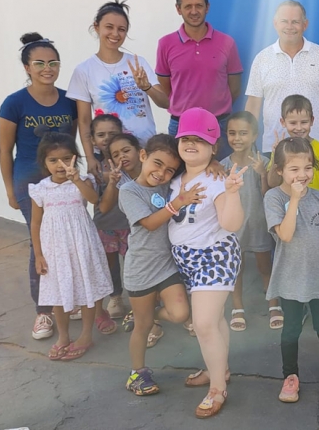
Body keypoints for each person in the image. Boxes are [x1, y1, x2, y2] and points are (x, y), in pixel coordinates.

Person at [167, 107, 246, 418]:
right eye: (185, 138)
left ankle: (217, 388)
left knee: (202, 324)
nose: (190, 144)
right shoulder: (175, 175)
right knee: (214, 321)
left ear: (213, 146)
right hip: (185, 258)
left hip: (214, 255)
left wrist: (232, 193)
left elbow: (230, 223)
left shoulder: (218, 179)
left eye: (199, 140)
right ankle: (220, 369)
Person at [0, 33, 77, 341]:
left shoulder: (69, 100)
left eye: (53, 62)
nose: (48, 68)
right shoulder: (14, 103)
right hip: (30, 181)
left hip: (64, 181)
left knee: (69, 238)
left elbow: (72, 141)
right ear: (27, 67)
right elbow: (5, 150)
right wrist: (9, 189)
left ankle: (69, 299)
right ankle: (43, 311)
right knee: (41, 244)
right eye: (40, 63)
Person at [264, 137, 319, 403]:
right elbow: (286, 235)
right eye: (294, 169)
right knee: (291, 329)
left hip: (318, 277)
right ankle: (290, 376)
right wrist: (294, 200)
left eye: (307, 167)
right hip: (289, 278)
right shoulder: (274, 198)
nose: (302, 175)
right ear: (279, 170)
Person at [119, 134, 199, 396]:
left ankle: (146, 315)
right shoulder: (129, 191)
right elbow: (151, 223)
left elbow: (196, 167)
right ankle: (137, 373)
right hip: (140, 270)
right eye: (157, 163)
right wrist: (178, 202)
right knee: (142, 328)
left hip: (166, 267)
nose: (162, 173)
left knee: (179, 314)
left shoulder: (169, 186)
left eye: (169, 170)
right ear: (143, 156)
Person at [29, 132, 114, 361]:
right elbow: (35, 223)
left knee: (87, 288)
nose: (61, 165)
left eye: (67, 158)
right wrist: (38, 254)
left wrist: (76, 178)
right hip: (54, 249)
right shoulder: (40, 189)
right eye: (53, 160)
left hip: (82, 243)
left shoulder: (83, 181)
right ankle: (64, 336)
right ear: (44, 162)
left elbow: (94, 200)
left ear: (76, 158)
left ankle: (86, 335)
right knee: (58, 293)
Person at [67, 0, 168, 179]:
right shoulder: (84, 70)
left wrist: (147, 87)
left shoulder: (138, 63)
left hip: (144, 151)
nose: (115, 34)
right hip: (109, 155)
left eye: (121, 29)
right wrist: (90, 157)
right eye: (109, 27)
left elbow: (165, 102)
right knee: (112, 204)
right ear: (96, 27)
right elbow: (83, 120)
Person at [155, 0, 243, 159]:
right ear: (178, 9)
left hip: (219, 125)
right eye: (188, 6)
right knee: (182, 179)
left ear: (207, 8)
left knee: (222, 180)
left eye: (199, 6)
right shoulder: (166, 44)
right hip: (181, 127)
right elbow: (166, 89)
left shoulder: (227, 43)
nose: (194, 11)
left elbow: (234, 88)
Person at [245, 0, 319, 151]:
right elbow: (253, 104)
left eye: (295, 22)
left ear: (305, 25)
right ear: (275, 23)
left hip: (315, 148)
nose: (289, 27)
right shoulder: (262, 58)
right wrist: (248, 143)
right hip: (274, 148)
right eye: (284, 21)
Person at [219, 111, 275, 332]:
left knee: (265, 267)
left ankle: (273, 303)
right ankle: (237, 307)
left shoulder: (265, 162)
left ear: (254, 135)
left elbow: (268, 195)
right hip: (234, 227)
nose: (237, 138)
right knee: (236, 268)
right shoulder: (222, 166)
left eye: (243, 133)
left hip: (259, 224)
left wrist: (262, 173)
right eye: (232, 133)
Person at [88, 115, 130, 322]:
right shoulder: (95, 168)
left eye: (112, 134)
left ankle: (147, 298)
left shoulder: (131, 161)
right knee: (110, 263)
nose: (106, 138)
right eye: (100, 135)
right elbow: (96, 200)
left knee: (134, 263)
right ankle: (115, 297)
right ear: (93, 140)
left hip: (131, 225)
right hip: (106, 225)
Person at [267, 95, 319, 193]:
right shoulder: (281, 149)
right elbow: (272, 183)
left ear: (312, 121)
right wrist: (276, 154)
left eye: (304, 122)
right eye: (293, 123)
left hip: (315, 205)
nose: (299, 128)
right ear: (283, 122)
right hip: (288, 205)